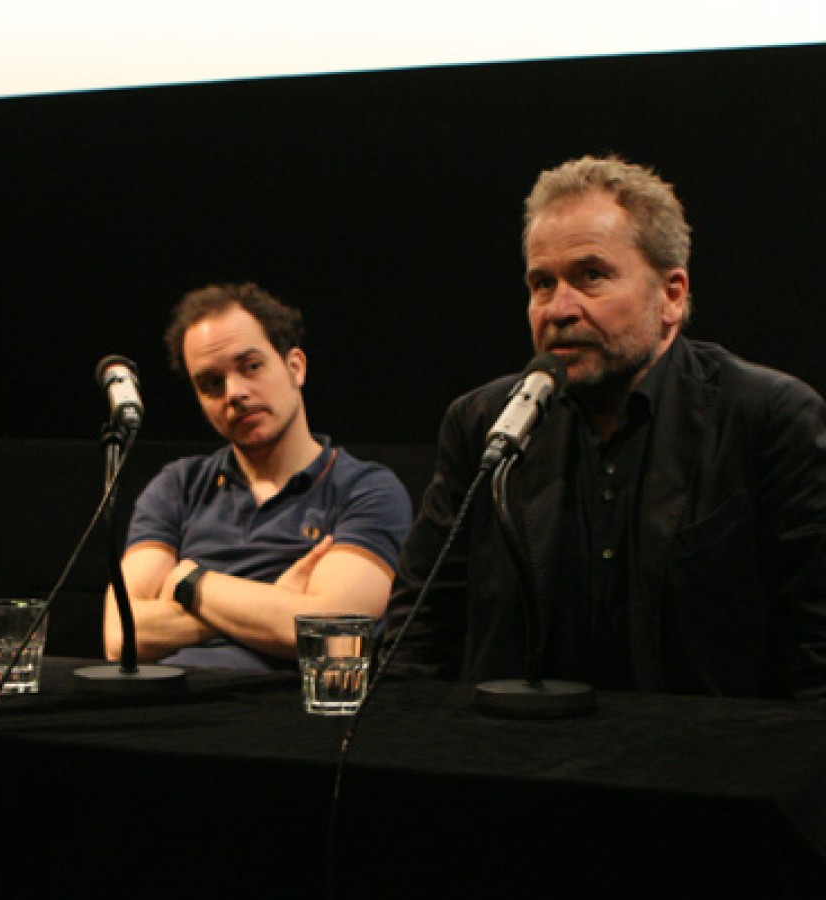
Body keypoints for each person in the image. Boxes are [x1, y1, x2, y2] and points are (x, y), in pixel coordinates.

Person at [385, 155, 826, 700]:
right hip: (511, 759)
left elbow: (818, 642)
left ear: (672, 294)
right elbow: (419, 634)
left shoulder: (769, 417)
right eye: (542, 283)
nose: (559, 308)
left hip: (706, 768)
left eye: (591, 276)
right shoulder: (484, 422)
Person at [103, 282, 413, 669]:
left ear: (295, 366)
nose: (234, 392)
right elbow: (120, 636)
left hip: (282, 714)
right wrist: (274, 605)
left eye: (251, 366)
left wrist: (191, 583)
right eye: (211, 383)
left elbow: (338, 637)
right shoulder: (178, 486)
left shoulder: (365, 490)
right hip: (169, 705)